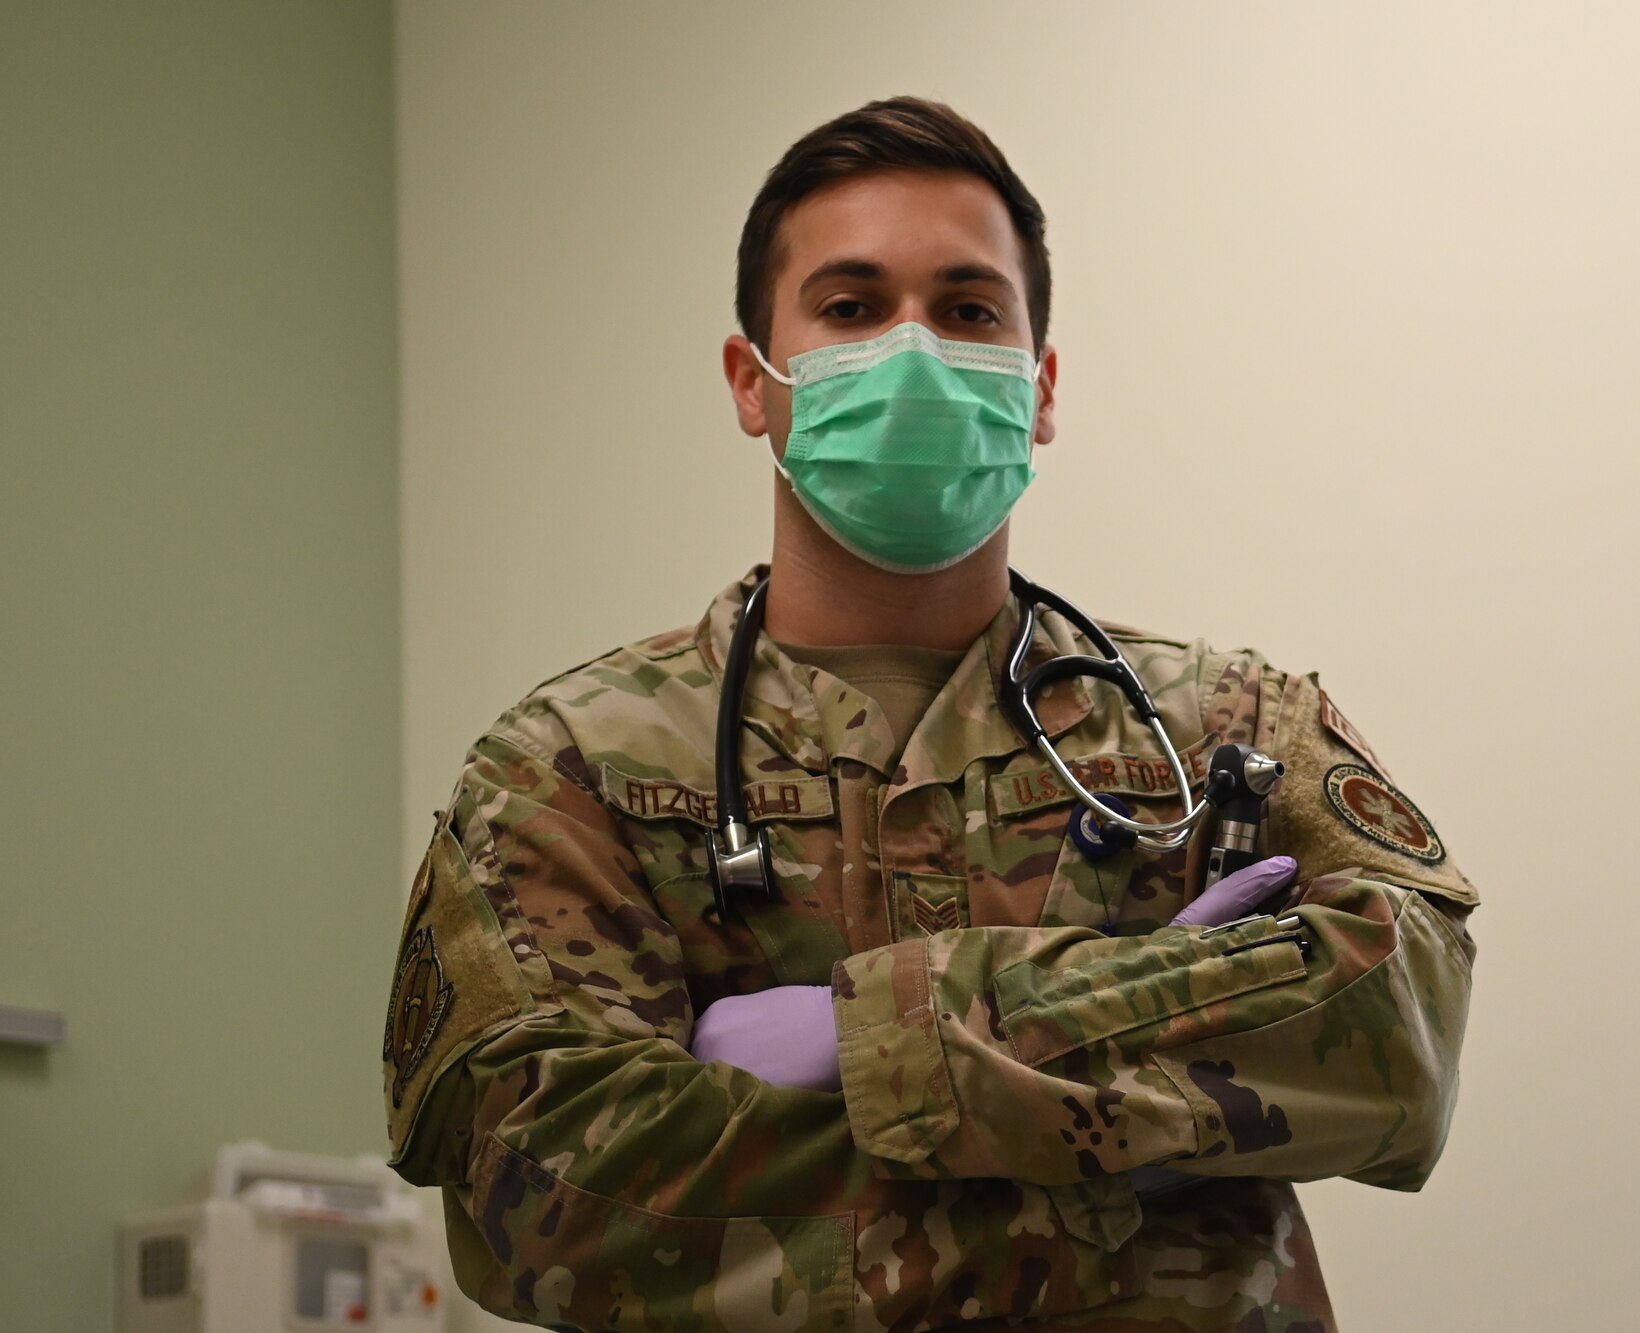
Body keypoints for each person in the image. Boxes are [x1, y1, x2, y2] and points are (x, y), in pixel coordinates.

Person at [382, 96, 1479, 1331]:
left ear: (1040, 386)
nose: (913, 348)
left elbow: (1399, 1034)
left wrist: (874, 1040)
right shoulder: (570, 770)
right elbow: (558, 1196)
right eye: (850, 308)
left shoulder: (1223, 723)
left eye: (967, 311)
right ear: (754, 382)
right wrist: (1145, 1108)